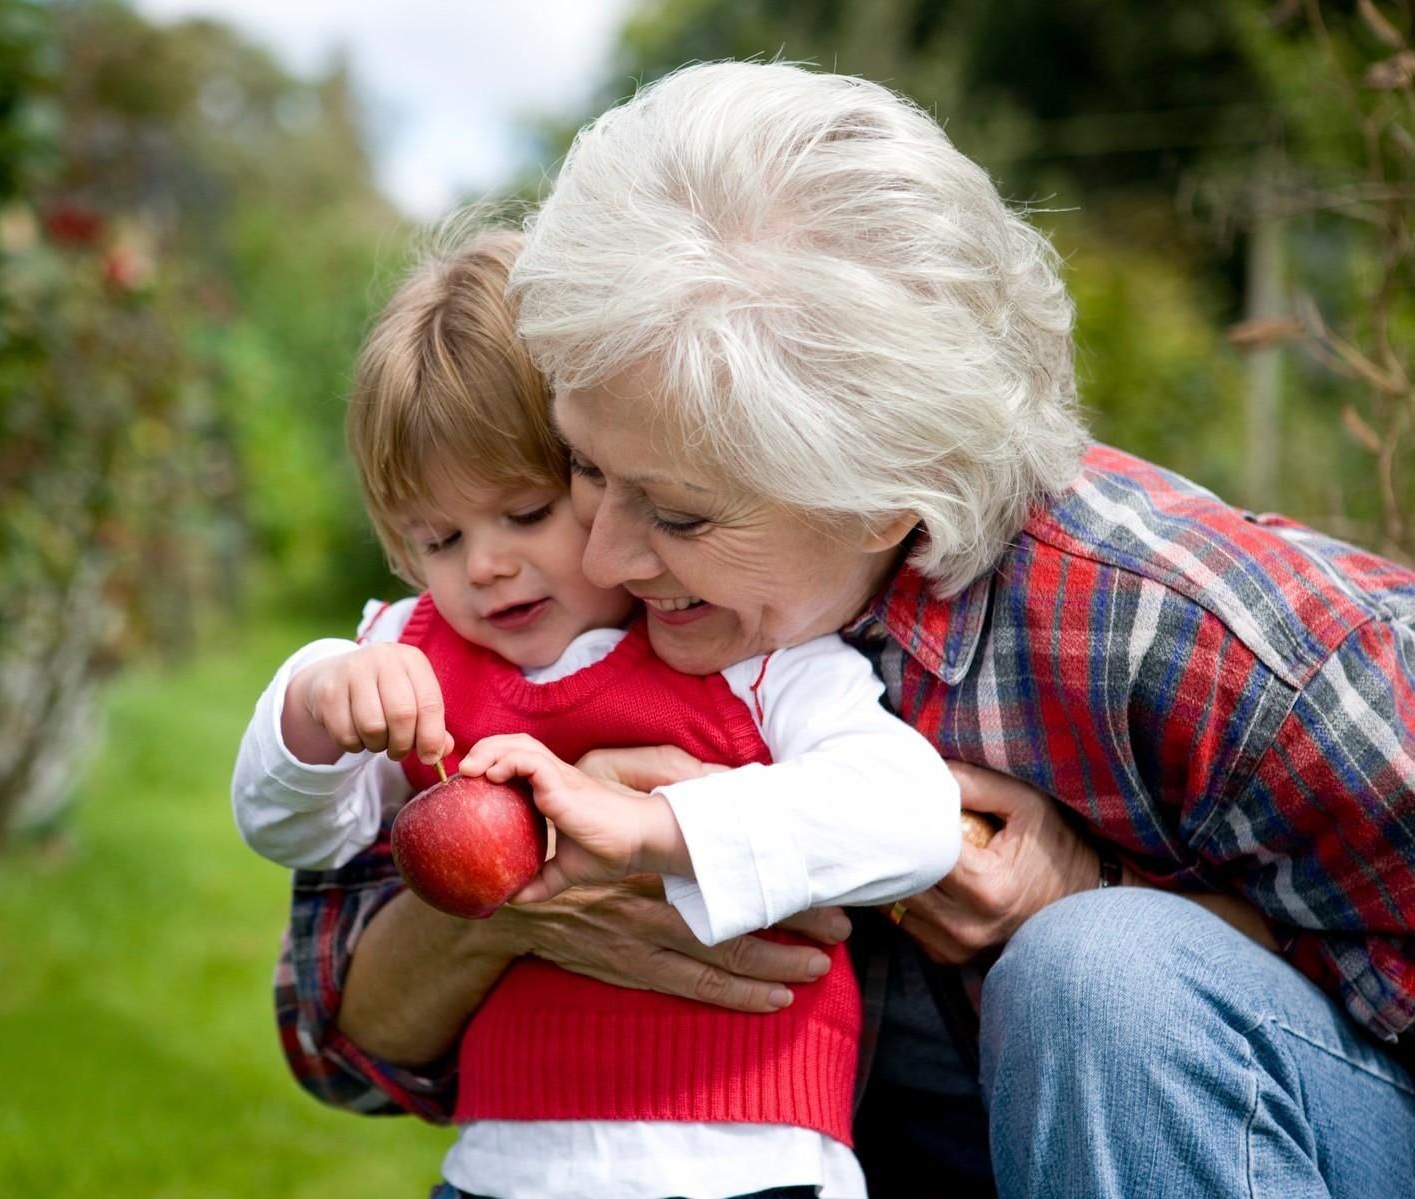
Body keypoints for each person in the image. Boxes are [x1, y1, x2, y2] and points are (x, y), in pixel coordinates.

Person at [272, 63, 1415, 1199]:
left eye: (676, 511)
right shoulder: (547, 618)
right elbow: (338, 1037)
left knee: (1101, 971)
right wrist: (520, 903)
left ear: (883, 493)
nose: (607, 555)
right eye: (581, 469)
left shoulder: (1200, 642)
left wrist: (1091, 892)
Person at [232, 227, 964, 1198]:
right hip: (509, 1166)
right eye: (439, 537)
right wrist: (316, 705)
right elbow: (291, 828)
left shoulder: (745, 652)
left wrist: (661, 828)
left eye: (526, 513)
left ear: (610, 472)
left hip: (748, 1156)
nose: (485, 564)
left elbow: (912, 812)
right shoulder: (411, 656)